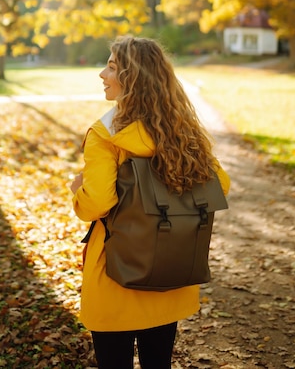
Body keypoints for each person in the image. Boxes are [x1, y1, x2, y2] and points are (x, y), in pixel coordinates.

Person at [70, 36, 230, 369]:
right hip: (170, 278)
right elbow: (221, 185)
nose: (102, 74)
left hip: (117, 275)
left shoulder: (105, 133)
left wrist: (78, 190)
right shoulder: (182, 132)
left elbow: (97, 201)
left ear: (134, 78)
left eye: (112, 67)